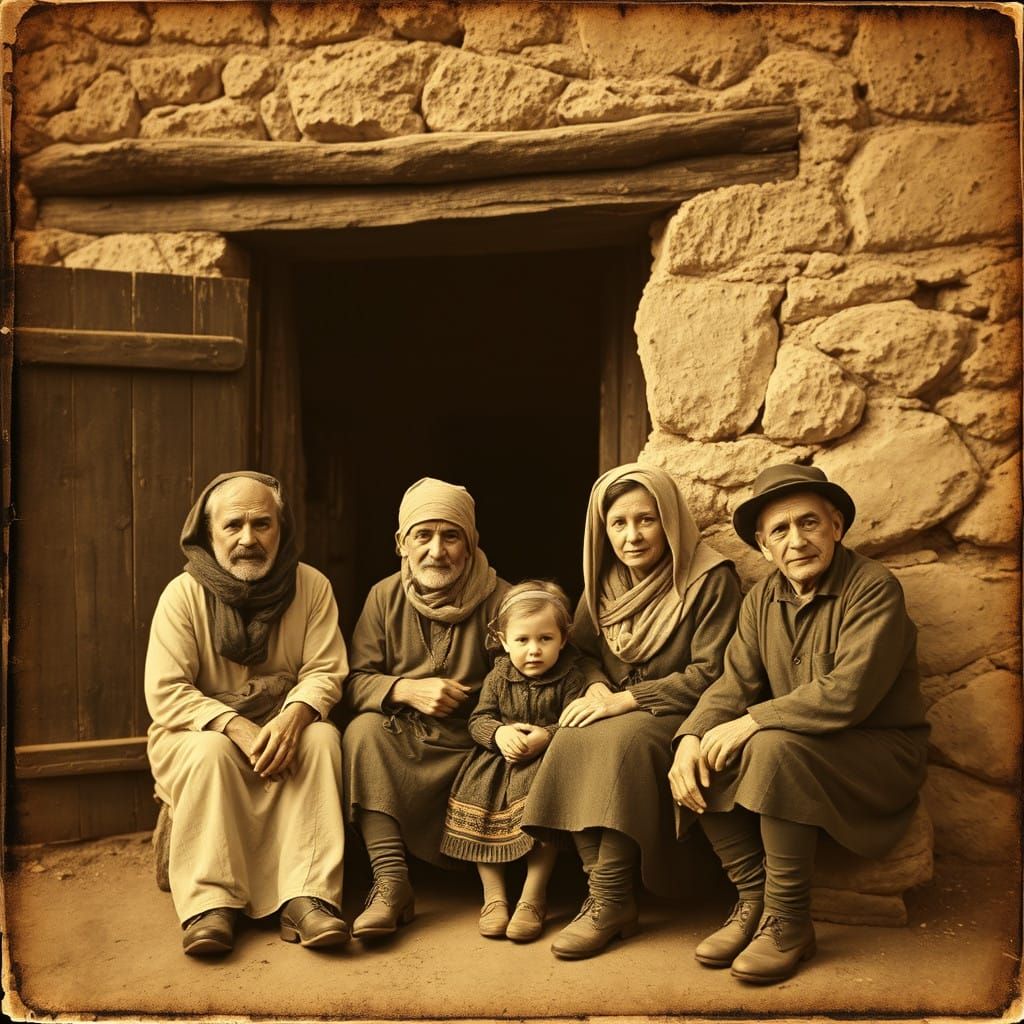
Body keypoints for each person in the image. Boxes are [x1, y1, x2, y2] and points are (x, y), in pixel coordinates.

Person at [669, 464, 929, 985]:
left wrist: (752, 722)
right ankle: (753, 900)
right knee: (696, 753)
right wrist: (691, 738)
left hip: (876, 753)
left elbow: (848, 695)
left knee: (768, 747)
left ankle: (789, 922)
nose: (797, 541)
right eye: (780, 531)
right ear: (764, 547)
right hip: (801, 744)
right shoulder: (762, 599)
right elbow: (732, 683)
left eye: (808, 523)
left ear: (836, 526)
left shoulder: (873, 588)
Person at [522, 463, 742, 959]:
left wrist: (629, 700)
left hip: (682, 708)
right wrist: (598, 690)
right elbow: (581, 652)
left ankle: (611, 897)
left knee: (624, 741)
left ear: (670, 521)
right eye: (617, 524)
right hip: (616, 706)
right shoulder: (604, 581)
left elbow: (713, 672)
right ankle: (605, 895)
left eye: (646, 520)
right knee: (572, 735)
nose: (632, 536)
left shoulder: (710, 578)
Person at [145, 471, 350, 957]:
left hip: (283, 732)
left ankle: (308, 894)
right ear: (209, 533)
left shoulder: (311, 586)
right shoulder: (182, 595)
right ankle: (212, 904)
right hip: (200, 735)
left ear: (281, 529)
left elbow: (325, 669)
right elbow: (167, 691)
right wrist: (234, 724)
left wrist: (294, 715)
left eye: (262, 525)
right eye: (233, 525)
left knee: (322, 740)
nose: (248, 539)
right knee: (212, 749)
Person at [340, 477, 514, 938]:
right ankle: (391, 882)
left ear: (472, 543)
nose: (437, 550)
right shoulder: (383, 596)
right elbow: (354, 681)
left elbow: (531, 682)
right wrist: (404, 690)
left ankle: (498, 892)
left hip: (480, 742)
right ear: (402, 544)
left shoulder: (504, 599)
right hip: (410, 739)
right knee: (361, 732)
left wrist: (487, 713)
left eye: (451, 535)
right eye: (424, 535)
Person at [440, 581, 588, 943]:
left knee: (542, 814)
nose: (534, 651)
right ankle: (494, 899)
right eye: (522, 640)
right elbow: (478, 718)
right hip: (495, 763)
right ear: (505, 641)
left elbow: (578, 722)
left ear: (563, 639)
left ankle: (532, 898)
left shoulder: (571, 677)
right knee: (480, 809)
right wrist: (498, 734)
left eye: (545, 639)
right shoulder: (498, 675)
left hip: (545, 764)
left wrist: (549, 735)